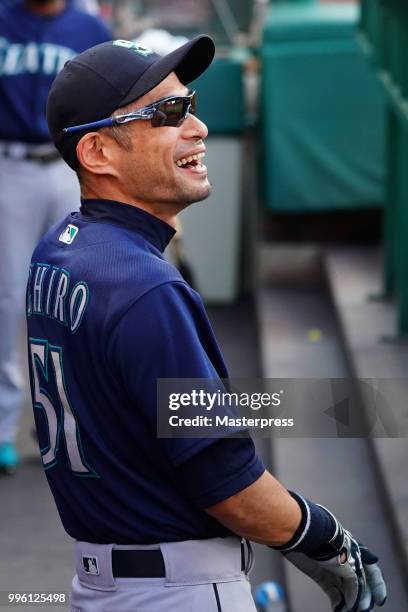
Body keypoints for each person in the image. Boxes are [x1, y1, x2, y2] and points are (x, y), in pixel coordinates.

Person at [26, 37, 387, 612]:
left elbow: (153, 404)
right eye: (168, 114)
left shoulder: (58, 249)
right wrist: (323, 534)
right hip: (177, 590)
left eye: (189, 103)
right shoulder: (146, 290)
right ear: (97, 153)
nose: (198, 127)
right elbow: (231, 487)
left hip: (104, 583)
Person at [0, 0, 111, 473]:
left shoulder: (87, 26)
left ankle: (71, 426)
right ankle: (1, 428)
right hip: (9, 164)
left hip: (68, 166)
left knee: (74, 293)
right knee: (6, 297)